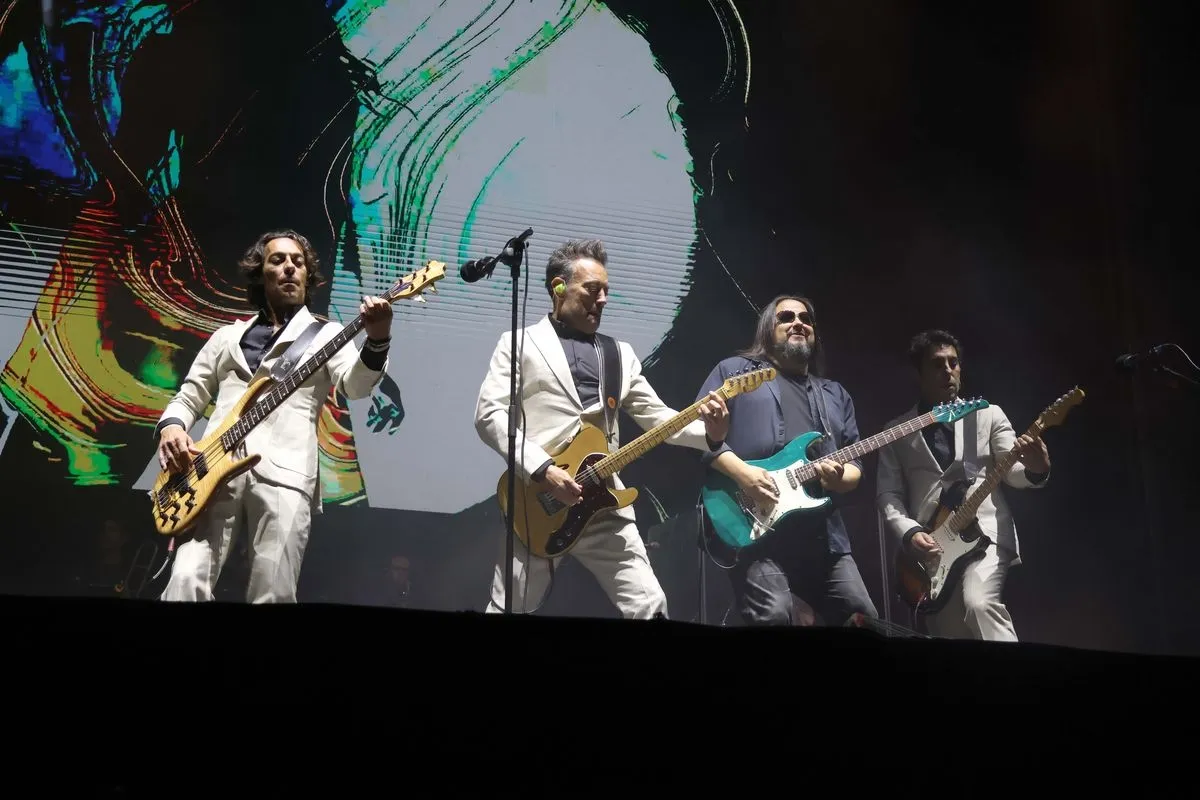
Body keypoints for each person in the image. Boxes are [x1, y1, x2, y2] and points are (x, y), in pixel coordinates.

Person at [474, 238, 730, 618]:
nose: (603, 299)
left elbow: (658, 418)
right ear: (558, 288)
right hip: (537, 502)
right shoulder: (519, 343)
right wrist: (544, 470)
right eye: (593, 289)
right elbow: (489, 414)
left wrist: (710, 433)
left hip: (604, 500)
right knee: (508, 607)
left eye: (606, 290)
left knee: (650, 605)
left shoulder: (619, 355)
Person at [153, 229, 394, 603]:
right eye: (278, 260)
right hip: (209, 471)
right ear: (259, 273)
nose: (289, 268)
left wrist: (377, 339)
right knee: (185, 579)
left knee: (274, 591)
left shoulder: (326, 334)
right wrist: (172, 427)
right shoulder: (226, 337)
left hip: (287, 472)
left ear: (308, 276)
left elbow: (356, 386)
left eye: (298, 262)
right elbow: (189, 396)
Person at [695, 295, 879, 627]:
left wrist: (838, 478)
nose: (798, 323)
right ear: (768, 329)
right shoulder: (735, 372)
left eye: (806, 319)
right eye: (786, 317)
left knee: (862, 617)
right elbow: (696, 434)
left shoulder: (834, 394)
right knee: (775, 615)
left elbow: (855, 466)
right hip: (753, 525)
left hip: (822, 534)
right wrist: (744, 474)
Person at [875, 329, 1051, 641]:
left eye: (953, 363)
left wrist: (1036, 469)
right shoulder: (897, 431)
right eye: (937, 364)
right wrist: (910, 532)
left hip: (985, 534)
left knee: (979, 604)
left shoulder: (988, 414)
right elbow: (888, 494)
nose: (948, 370)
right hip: (934, 549)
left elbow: (1013, 471)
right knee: (950, 635)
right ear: (918, 373)